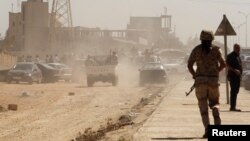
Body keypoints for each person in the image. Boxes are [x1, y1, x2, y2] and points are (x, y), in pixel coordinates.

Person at [187, 30, 226, 138]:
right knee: (215, 103)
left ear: (201, 39)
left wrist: (195, 75)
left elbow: (189, 64)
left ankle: (208, 131)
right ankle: (215, 110)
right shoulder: (217, 50)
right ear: (212, 39)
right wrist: (216, 71)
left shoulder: (196, 50)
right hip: (213, 82)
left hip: (200, 82)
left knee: (203, 107)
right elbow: (223, 64)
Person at [226, 43, 242, 112]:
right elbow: (227, 65)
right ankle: (232, 107)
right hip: (233, 76)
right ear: (234, 48)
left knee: (236, 91)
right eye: (237, 48)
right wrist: (234, 70)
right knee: (233, 91)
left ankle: (233, 106)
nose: (239, 50)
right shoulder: (230, 56)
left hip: (238, 77)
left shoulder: (238, 56)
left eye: (239, 49)